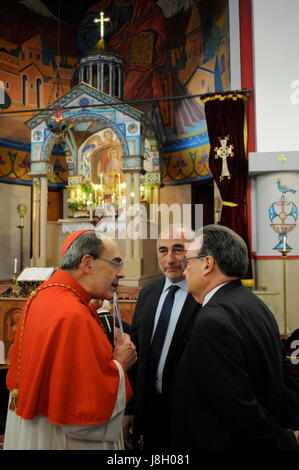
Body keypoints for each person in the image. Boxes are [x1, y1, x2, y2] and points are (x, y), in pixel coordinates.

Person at [4, 229, 137, 450]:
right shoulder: (72, 315)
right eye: (116, 263)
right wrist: (121, 364)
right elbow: (85, 410)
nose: (121, 273)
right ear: (87, 264)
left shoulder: (44, 295)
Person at [170, 224, 299, 450]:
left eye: (188, 262)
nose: (184, 271)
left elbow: (236, 405)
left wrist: (284, 442)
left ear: (208, 264)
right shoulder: (254, 304)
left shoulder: (212, 320)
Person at [124, 224, 201, 450]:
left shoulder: (203, 296)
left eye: (178, 250)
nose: (169, 259)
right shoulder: (148, 293)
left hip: (188, 415)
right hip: (148, 411)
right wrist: (130, 408)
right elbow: (137, 355)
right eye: (162, 250)